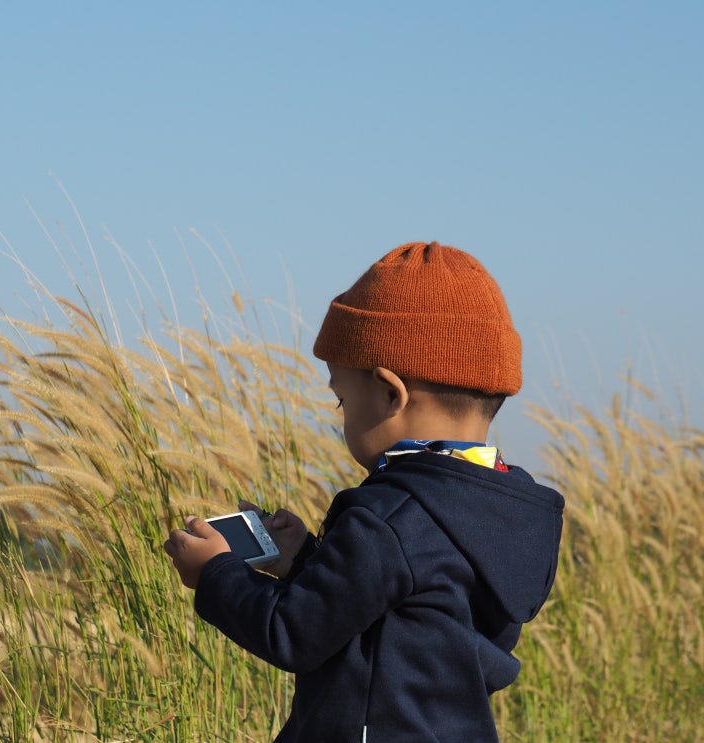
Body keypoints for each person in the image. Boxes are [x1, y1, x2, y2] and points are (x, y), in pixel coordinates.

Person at [164, 241, 565, 742]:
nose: (341, 415)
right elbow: (400, 617)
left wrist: (215, 573)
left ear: (390, 394)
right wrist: (306, 560)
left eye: (340, 399)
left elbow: (294, 633)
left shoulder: (390, 514)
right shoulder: (505, 513)